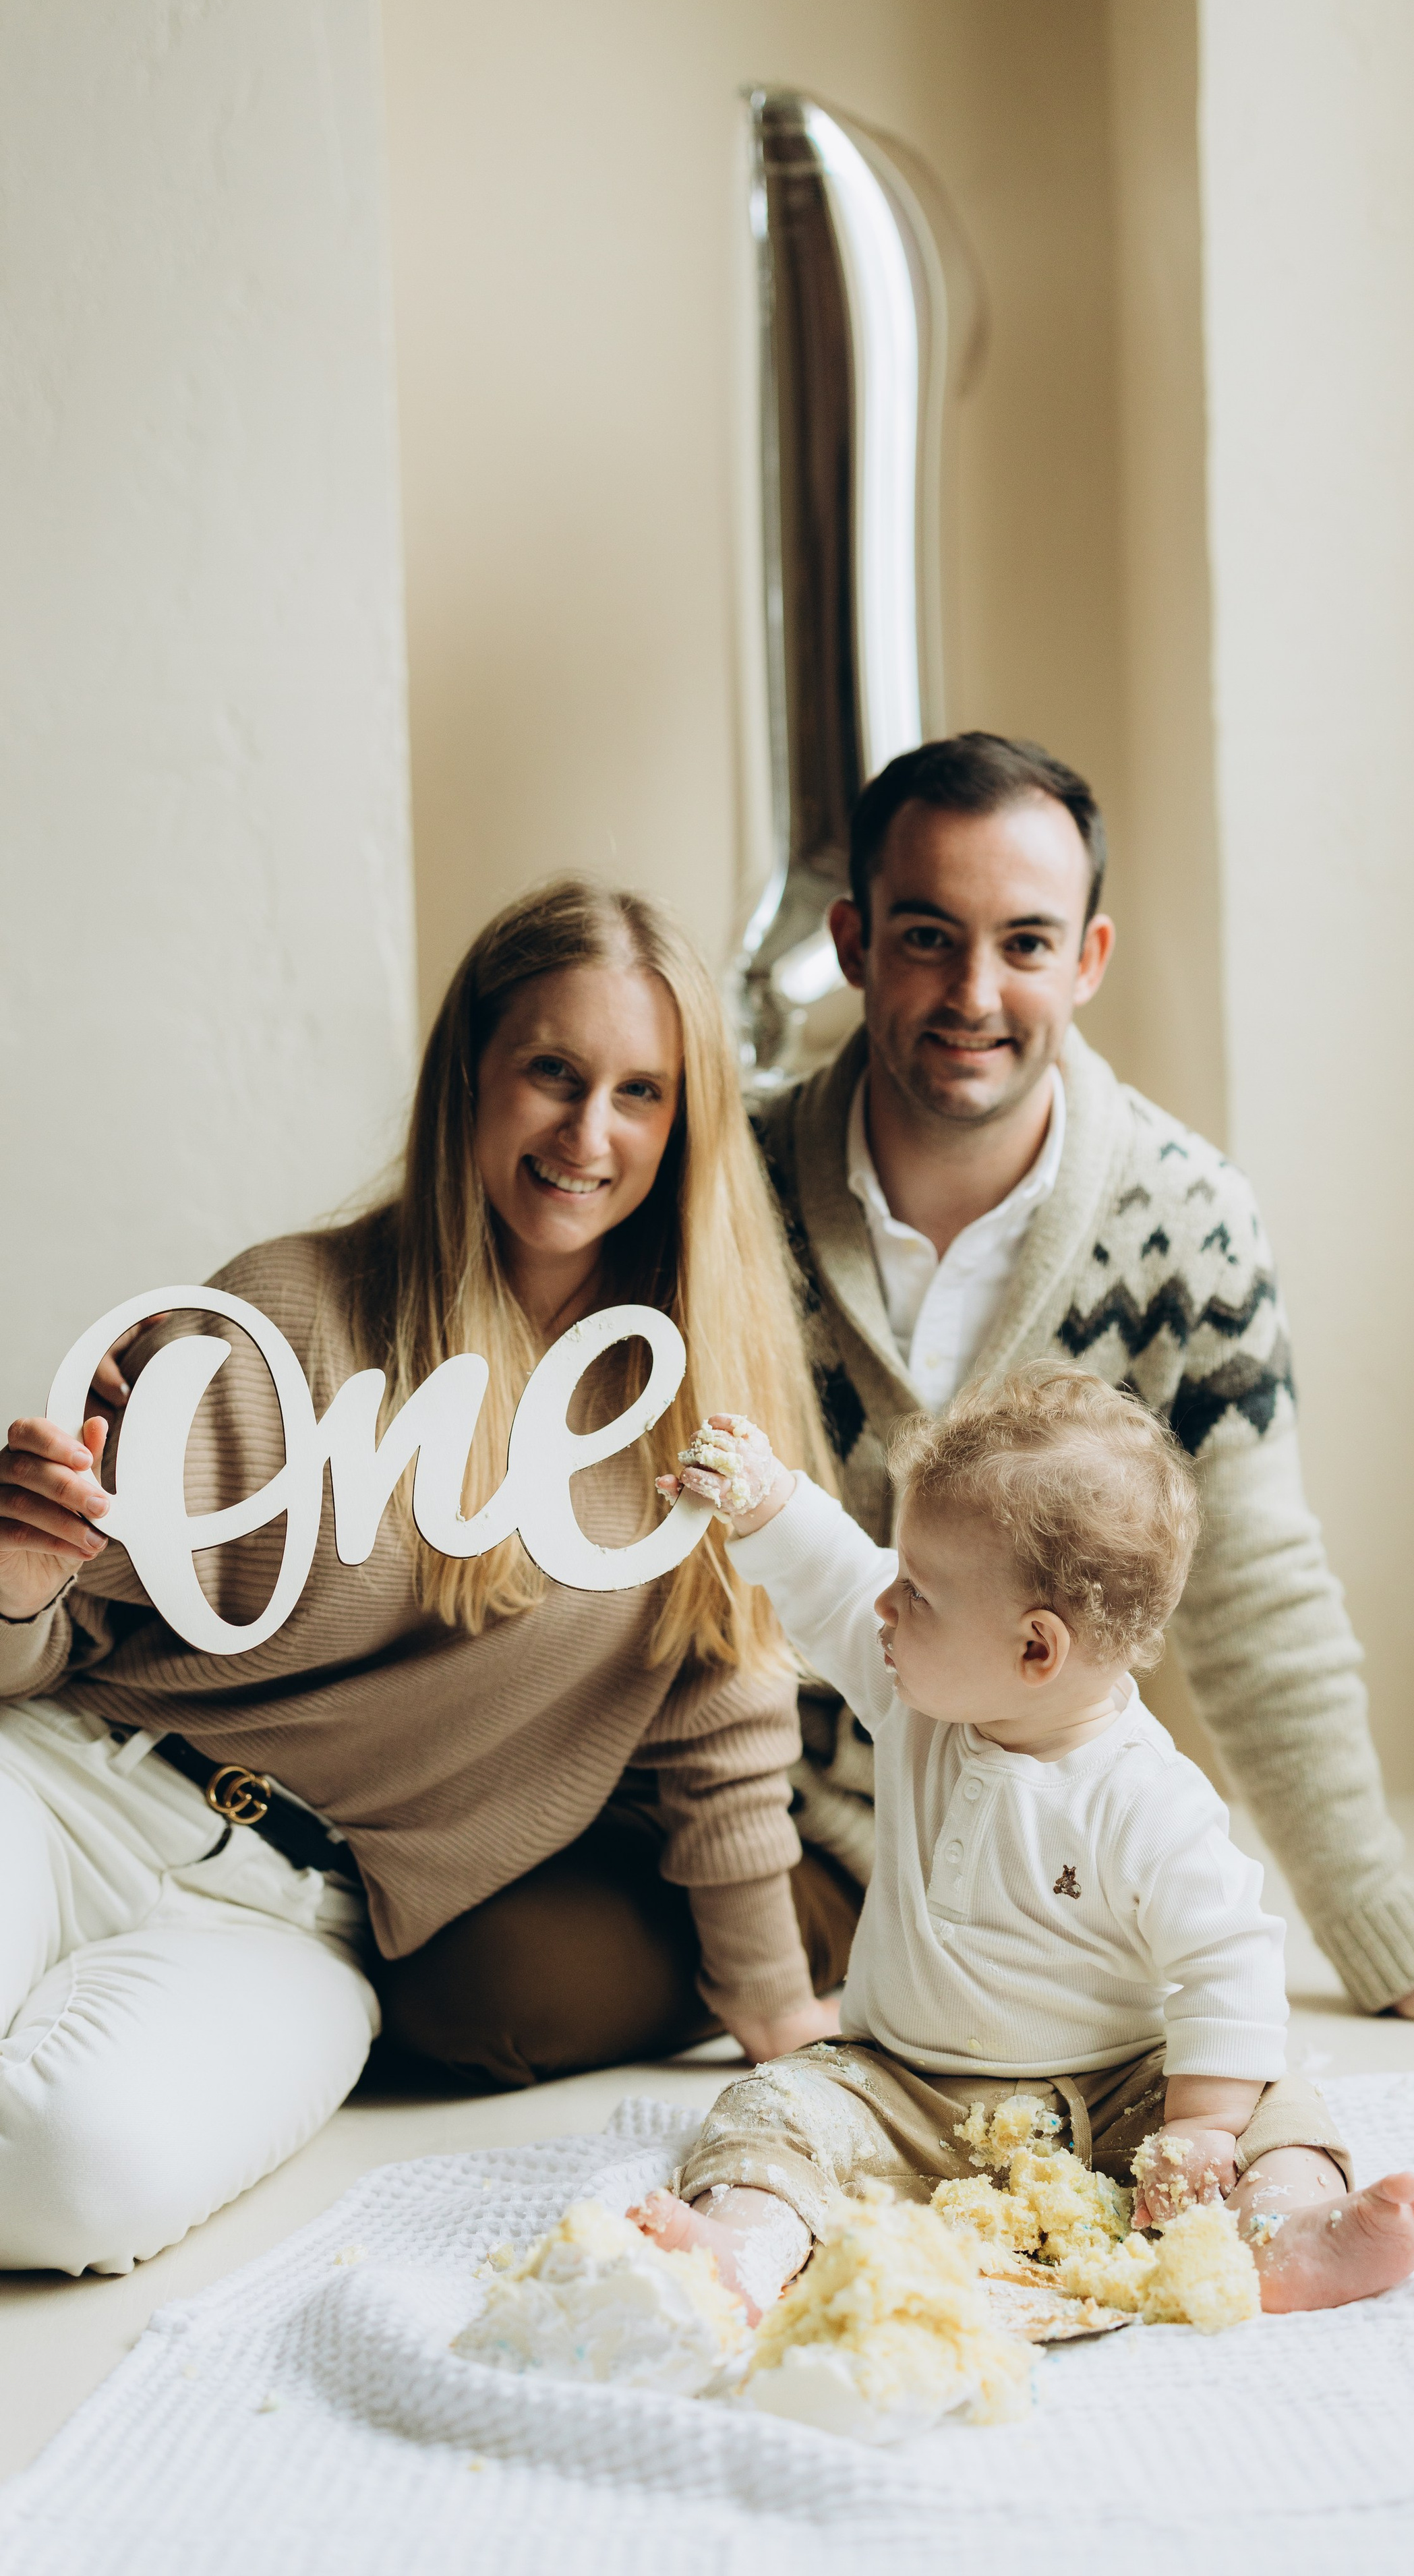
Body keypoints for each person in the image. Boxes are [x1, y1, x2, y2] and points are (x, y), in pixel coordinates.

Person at [0, 878, 847, 2279]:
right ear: (471, 1075)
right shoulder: (289, 1308)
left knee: (66, 2184)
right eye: (553, 1072)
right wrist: (20, 1577)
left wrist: (779, 2018)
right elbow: (50, 1641)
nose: (588, 1134)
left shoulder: (700, 1409)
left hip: (302, 1918)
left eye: (639, 1093)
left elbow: (725, 1722)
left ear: (684, 1124)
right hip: (74, 1784)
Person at [753, 731, 1414, 2026]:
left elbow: (1255, 1588)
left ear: (1089, 958)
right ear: (853, 941)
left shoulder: (1188, 1220)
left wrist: (1386, 1940)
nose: (975, 992)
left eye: (1027, 943)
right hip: (753, 1832)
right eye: (929, 936)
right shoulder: (734, 1181)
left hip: (1044, 1857)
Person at [633, 1377, 1414, 2318]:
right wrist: (769, 1500)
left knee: (1279, 2106)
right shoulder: (914, 1697)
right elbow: (837, 1580)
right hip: (906, 2088)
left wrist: (1205, 2125)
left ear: (1035, 1651)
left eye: (917, 1591)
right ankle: (748, 2245)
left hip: (1118, 2094)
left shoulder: (1148, 1798)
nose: (886, 1603)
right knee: (774, 2104)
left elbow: (1229, 1961)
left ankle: (1283, 2229)